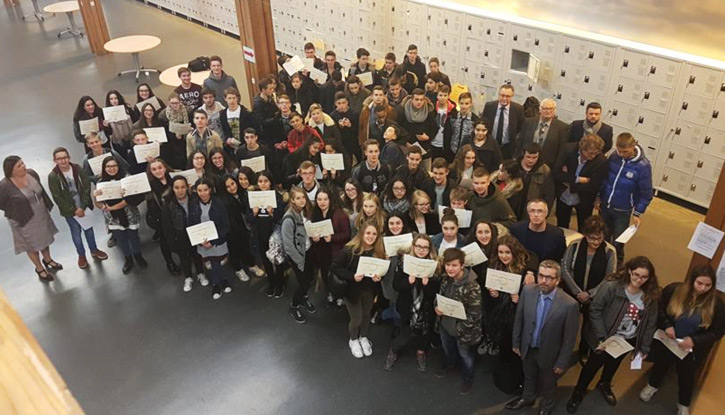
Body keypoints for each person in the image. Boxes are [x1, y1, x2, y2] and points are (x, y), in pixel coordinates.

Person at [566, 256, 660, 413]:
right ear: (629, 271)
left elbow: (651, 323)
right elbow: (595, 310)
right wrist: (603, 337)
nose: (639, 279)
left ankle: (604, 384)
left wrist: (644, 347)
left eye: (644, 277)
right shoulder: (611, 287)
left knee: (614, 364)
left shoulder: (651, 295)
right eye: (636, 274)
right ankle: (578, 391)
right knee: (592, 366)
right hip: (605, 338)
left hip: (628, 339)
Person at [640, 265, 725, 415]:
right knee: (661, 365)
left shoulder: (716, 305)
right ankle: (652, 385)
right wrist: (667, 326)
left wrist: (695, 341)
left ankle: (683, 403)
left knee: (687, 376)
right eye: (699, 283)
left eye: (708, 285)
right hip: (668, 341)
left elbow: (717, 332)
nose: (703, 288)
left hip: (691, 349)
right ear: (691, 281)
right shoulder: (674, 290)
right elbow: (659, 309)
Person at [507, 260, 579, 415]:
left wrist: (562, 361)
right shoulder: (527, 291)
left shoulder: (569, 304)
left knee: (548, 383)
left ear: (558, 280)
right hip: (528, 347)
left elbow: (569, 338)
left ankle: (546, 406)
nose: (543, 281)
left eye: (549, 277)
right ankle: (528, 398)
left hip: (550, 354)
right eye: (540, 276)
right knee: (529, 376)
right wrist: (516, 342)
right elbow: (519, 319)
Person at [561, 215, 618, 363]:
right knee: (567, 323)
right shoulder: (574, 245)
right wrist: (577, 292)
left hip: (595, 297)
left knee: (589, 326)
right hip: (572, 294)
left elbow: (609, 277)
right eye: (592, 238)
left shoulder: (609, 251)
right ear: (585, 235)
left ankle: (583, 350)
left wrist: (590, 294)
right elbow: (565, 269)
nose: (596, 242)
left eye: (599, 238)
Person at [486, 235, 537, 393]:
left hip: (516, 320)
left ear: (514, 252)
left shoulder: (524, 270)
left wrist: (520, 299)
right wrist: (492, 294)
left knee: (517, 352)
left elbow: (534, 300)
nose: (504, 256)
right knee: (504, 350)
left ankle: (519, 380)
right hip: (500, 319)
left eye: (507, 252)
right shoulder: (494, 266)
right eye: (501, 252)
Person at [330, 223, 387, 358]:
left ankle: (364, 337)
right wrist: (352, 276)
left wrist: (380, 276)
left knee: (367, 314)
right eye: (368, 233)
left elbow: (382, 270)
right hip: (352, 291)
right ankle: (353, 339)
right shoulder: (350, 250)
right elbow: (335, 267)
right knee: (357, 319)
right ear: (361, 234)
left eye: (374, 234)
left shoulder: (378, 252)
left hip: (369, 290)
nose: (371, 236)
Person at [0, 156, 60, 282]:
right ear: (11, 170)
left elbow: (41, 191)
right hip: (23, 219)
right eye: (19, 166)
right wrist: (14, 211)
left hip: (40, 214)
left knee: (44, 238)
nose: (23, 166)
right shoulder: (5, 185)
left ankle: (48, 259)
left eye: (23, 163)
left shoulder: (31, 174)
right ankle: (39, 268)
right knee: (31, 245)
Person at [386, 233, 440, 372]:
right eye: (419, 246)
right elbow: (396, 285)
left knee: (424, 332)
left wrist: (427, 285)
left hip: (425, 308)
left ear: (429, 249)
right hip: (407, 306)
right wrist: (408, 283)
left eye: (425, 247)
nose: (421, 250)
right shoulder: (403, 262)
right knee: (404, 331)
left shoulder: (433, 265)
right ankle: (394, 351)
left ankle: (421, 353)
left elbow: (435, 292)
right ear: (413, 246)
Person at [597, 133, 653, 264]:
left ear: (633, 147)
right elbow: (604, 179)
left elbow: (646, 193)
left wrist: (637, 213)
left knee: (618, 242)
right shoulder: (613, 156)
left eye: (625, 151)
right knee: (602, 237)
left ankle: (618, 267)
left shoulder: (643, 166)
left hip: (622, 211)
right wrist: (598, 196)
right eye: (619, 151)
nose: (621, 154)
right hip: (605, 206)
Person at [48, 147, 108, 269]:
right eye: (59, 159)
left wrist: (83, 206)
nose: (63, 161)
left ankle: (94, 250)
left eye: (65, 157)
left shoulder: (77, 169)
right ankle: (81, 255)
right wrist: (74, 210)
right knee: (76, 233)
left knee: (89, 230)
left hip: (84, 208)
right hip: (70, 212)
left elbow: (86, 187)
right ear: (55, 160)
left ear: (69, 158)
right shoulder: (53, 176)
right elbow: (57, 197)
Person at [434, 248, 482, 395]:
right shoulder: (445, 278)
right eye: (448, 265)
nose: (450, 268)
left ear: (462, 265)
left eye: (454, 265)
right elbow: (439, 297)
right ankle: (449, 364)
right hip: (445, 325)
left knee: (466, 356)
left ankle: (468, 377)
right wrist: (436, 306)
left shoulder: (473, 287)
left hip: (463, 331)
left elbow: (475, 315)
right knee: (448, 350)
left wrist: (458, 330)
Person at [93, 157, 147, 274]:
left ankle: (138, 256)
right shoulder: (100, 183)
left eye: (114, 166)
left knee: (134, 236)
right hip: (113, 218)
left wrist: (123, 196)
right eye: (108, 166)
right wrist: (95, 197)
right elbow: (100, 205)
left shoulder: (127, 179)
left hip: (130, 214)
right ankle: (128, 259)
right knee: (121, 239)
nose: (111, 169)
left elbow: (129, 200)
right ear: (104, 168)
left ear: (119, 166)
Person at [188, 177, 232, 300]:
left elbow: (226, 225)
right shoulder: (193, 205)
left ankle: (223, 280)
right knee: (213, 262)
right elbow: (191, 224)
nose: (203, 193)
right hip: (203, 242)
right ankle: (216, 284)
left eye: (205, 190)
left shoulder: (219, 203)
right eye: (200, 190)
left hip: (218, 240)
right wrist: (201, 242)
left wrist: (213, 241)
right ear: (196, 191)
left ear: (210, 190)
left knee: (219, 261)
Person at [162, 176, 207, 292]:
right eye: (177, 187)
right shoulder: (168, 203)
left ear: (187, 187)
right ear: (172, 189)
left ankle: (200, 273)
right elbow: (167, 225)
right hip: (180, 235)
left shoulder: (194, 199)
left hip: (195, 232)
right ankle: (188, 276)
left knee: (197, 254)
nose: (180, 190)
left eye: (183, 187)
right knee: (184, 257)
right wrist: (172, 242)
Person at [554, 135, 608, 231]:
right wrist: (579, 179)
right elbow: (556, 173)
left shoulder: (601, 160)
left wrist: (569, 180)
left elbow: (594, 185)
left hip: (584, 198)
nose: (593, 156)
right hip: (564, 194)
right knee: (561, 225)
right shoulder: (568, 149)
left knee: (584, 228)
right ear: (582, 148)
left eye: (596, 153)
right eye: (591, 153)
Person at [309, 187, 351, 307]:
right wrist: (314, 238)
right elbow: (312, 231)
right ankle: (330, 293)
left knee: (337, 277)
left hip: (336, 252)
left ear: (330, 200)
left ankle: (340, 296)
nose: (322, 202)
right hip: (322, 252)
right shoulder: (314, 213)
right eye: (319, 199)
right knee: (325, 274)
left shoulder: (340, 214)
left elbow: (346, 234)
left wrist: (332, 238)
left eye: (325, 199)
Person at [248, 171, 286, 297]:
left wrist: (272, 213)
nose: (263, 184)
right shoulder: (254, 197)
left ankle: (280, 284)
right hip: (260, 234)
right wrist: (253, 213)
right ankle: (271, 282)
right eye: (260, 181)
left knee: (277, 260)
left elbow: (280, 218)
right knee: (265, 260)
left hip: (274, 234)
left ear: (270, 182)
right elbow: (249, 220)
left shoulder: (277, 196)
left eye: (266, 181)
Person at [282, 187, 315, 323]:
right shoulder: (289, 219)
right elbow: (289, 245)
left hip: (308, 250)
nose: (302, 200)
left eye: (303, 197)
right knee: (304, 283)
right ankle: (294, 306)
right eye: (298, 198)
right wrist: (299, 261)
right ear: (292, 200)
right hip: (298, 256)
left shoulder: (306, 211)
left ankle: (304, 298)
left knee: (309, 279)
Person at [146, 159, 180, 275]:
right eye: (154, 169)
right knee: (165, 240)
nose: (158, 171)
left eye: (160, 168)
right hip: (160, 217)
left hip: (177, 214)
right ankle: (169, 262)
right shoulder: (149, 185)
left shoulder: (174, 178)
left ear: (165, 168)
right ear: (150, 171)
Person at [515, 99, 570, 167]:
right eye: (545, 108)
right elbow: (520, 143)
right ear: (540, 109)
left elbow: (561, 150)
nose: (548, 111)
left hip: (547, 165)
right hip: (526, 162)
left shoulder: (562, 128)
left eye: (551, 109)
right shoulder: (528, 122)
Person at [511, 144, 556, 219]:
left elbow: (549, 195)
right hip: (512, 208)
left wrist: (544, 214)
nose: (531, 160)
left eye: (534, 157)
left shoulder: (545, 171)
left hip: (531, 211)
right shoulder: (513, 166)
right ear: (523, 154)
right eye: (528, 157)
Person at [481, 84, 525, 159]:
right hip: (490, 145)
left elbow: (521, 128)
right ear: (498, 95)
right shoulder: (489, 106)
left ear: (512, 96)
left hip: (507, 148)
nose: (504, 98)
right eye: (502, 95)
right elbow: (483, 123)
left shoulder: (518, 109)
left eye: (508, 96)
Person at [397, 89, 437, 170]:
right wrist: (405, 142)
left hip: (425, 149)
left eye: (421, 100)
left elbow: (434, 128)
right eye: (417, 99)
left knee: (426, 174)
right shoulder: (403, 111)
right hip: (408, 148)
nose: (419, 102)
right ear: (411, 100)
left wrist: (428, 136)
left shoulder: (429, 111)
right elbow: (398, 128)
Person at [219, 87, 260, 155]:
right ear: (225, 99)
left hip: (246, 146)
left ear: (237, 98)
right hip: (231, 148)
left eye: (234, 98)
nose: (232, 101)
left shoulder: (246, 113)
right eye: (229, 98)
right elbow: (225, 130)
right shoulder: (223, 114)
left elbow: (255, 128)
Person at [158, 93, 190, 169]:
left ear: (180, 102)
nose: (175, 105)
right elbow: (163, 132)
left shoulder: (188, 111)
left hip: (185, 140)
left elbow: (191, 123)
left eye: (176, 103)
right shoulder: (163, 115)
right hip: (171, 144)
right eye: (172, 103)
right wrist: (174, 136)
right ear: (169, 103)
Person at [329, 92, 361, 163]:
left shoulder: (354, 114)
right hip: (342, 145)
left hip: (353, 143)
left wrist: (350, 125)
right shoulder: (333, 116)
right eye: (339, 103)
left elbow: (359, 130)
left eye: (344, 103)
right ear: (335, 104)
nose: (342, 105)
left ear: (347, 102)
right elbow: (332, 133)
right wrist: (339, 127)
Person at [431, 85, 457, 162]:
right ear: (437, 96)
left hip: (446, 144)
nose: (442, 97)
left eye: (445, 95)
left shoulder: (453, 111)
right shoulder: (432, 108)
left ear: (449, 96)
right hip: (433, 142)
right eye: (440, 95)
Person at [449, 93, 479, 158]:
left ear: (471, 104)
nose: (464, 106)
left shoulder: (475, 119)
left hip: (466, 153)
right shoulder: (453, 116)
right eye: (462, 103)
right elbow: (449, 133)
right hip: (452, 151)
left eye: (466, 103)